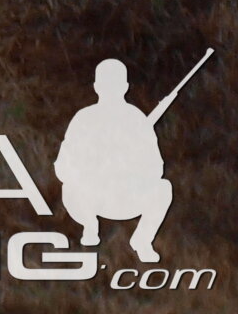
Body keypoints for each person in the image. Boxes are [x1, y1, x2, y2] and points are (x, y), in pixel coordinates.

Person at [56, 59, 175, 263]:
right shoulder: (84, 119)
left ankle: (142, 240)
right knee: (69, 188)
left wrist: (130, 165)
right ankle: (89, 225)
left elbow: (156, 169)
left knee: (163, 189)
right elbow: (63, 166)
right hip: (91, 199)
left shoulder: (137, 120)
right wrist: (93, 167)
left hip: (126, 197)